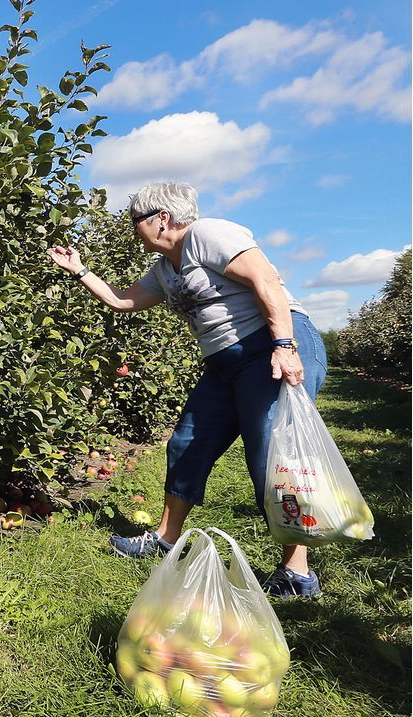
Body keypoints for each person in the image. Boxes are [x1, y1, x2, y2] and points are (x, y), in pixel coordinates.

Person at [47, 182, 327, 599]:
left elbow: (264, 278)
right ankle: (165, 537)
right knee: (187, 442)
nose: (131, 229)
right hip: (223, 363)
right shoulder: (164, 269)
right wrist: (81, 270)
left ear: (162, 217)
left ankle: (296, 570)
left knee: (272, 455)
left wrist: (283, 346)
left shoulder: (207, 235)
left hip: (267, 344)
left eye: (134, 221)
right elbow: (124, 301)